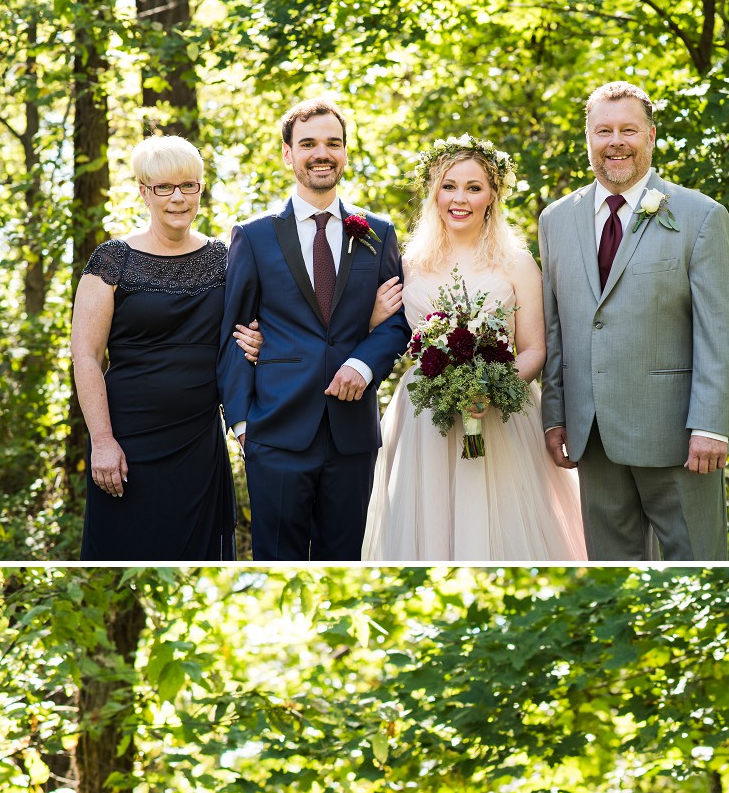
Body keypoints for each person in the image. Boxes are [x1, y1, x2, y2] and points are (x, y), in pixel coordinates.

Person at [236, 139, 585, 560]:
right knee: (427, 527)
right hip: (425, 417)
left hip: (501, 415)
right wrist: (363, 322)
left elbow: (533, 349)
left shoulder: (516, 261)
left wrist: (491, 390)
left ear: (493, 195)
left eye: (474, 188)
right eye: (449, 186)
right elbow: (358, 326)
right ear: (433, 192)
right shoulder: (409, 261)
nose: (460, 198)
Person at [539, 82, 729, 559]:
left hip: (677, 434)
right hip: (590, 434)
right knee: (611, 573)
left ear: (650, 136)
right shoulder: (555, 220)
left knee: (696, 563)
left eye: (628, 130)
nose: (616, 142)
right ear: (587, 138)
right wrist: (555, 414)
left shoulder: (700, 216)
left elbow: (721, 329)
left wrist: (712, 424)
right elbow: (555, 327)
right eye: (603, 130)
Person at [218, 98, 411, 560]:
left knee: (344, 560)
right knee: (276, 558)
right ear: (288, 154)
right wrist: (243, 424)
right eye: (308, 144)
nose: (321, 153)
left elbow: (400, 318)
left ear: (345, 152)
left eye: (332, 143)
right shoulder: (255, 234)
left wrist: (362, 365)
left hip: (352, 436)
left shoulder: (376, 233)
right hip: (276, 430)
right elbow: (233, 333)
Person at [71, 133, 237, 559]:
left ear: (201, 188)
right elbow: (86, 356)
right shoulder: (112, 260)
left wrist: (250, 339)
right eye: (164, 187)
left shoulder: (224, 258)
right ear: (144, 192)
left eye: (188, 185)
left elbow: (245, 331)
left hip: (198, 443)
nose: (178, 197)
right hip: (127, 442)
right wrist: (103, 442)